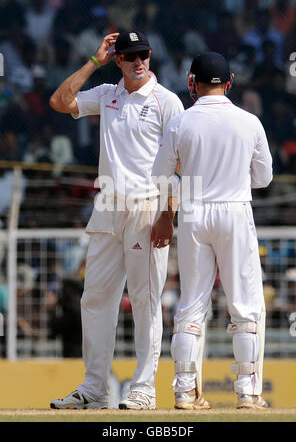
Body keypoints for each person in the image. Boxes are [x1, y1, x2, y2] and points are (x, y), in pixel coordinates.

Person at [48, 30, 184, 409]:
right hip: (108, 206)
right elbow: (59, 101)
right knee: (94, 298)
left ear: (151, 56)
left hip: (147, 206)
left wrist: (166, 215)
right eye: (130, 56)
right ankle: (95, 389)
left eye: (143, 55)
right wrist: (94, 62)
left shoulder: (167, 102)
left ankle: (143, 389)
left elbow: (180, 164)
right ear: (118, 60)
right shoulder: (107, 94)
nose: (138, 61)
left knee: (146, 301)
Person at [151, 52, 273, 410]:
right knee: (245, 306)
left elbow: (160, 176)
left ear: (193, 83)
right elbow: (264, 178)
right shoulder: (249, 122)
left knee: (191, 304)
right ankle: (247, 393)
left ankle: (184, 391)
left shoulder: (181, 123)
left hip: (193, 211)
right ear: (230, 83)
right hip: (235, 209)